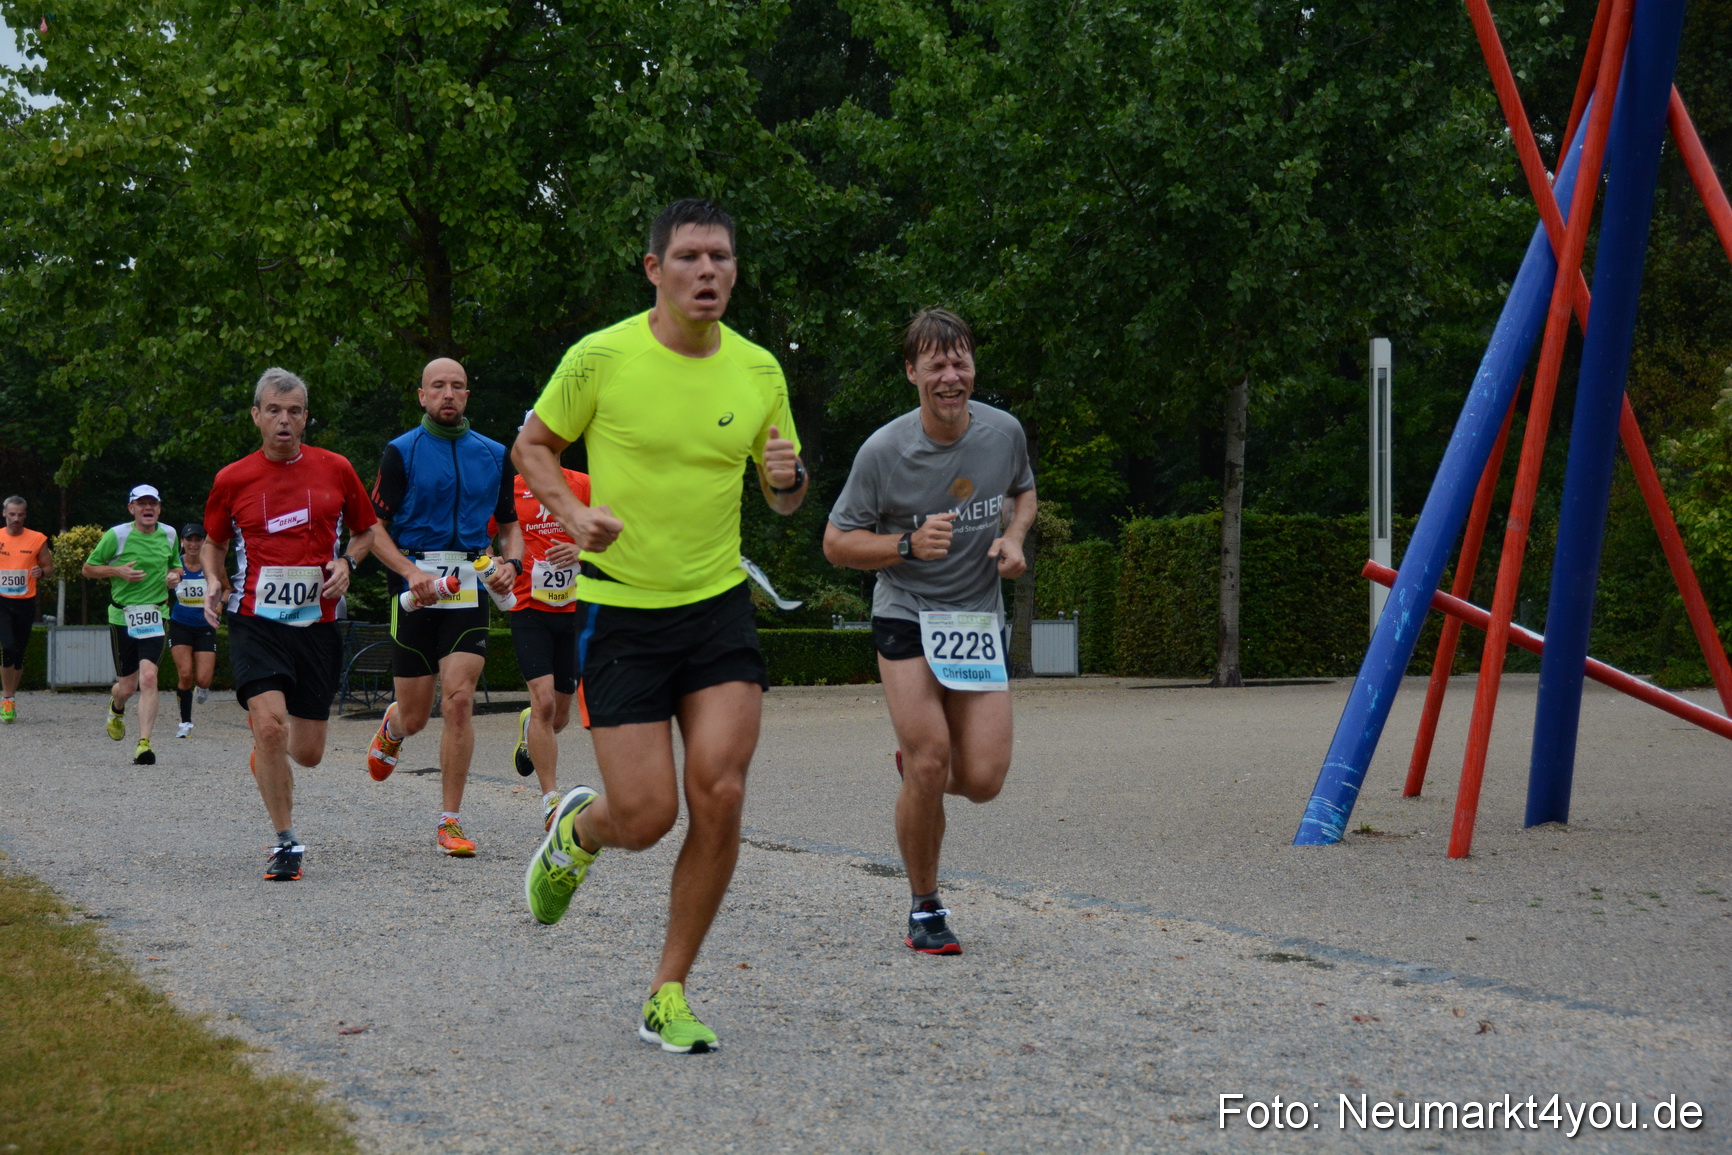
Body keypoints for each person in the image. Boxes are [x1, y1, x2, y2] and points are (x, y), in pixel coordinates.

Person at [514, 198, 807, 1054]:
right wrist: (570, 509)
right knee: (646, 815)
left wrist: (787, 481)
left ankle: (667, 991)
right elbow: (531, 445)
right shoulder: (600, 356)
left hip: (716, 608)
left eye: (720, 257)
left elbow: (780, 494)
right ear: (654, 269)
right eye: (687, 257)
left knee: (719, 788)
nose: (706, 271)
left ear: (735, 270)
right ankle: (580, 832)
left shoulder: (758, 372)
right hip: (621, 612)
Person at [823, 308, 1036, 955]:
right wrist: (907, 544)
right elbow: (837, 542)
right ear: (912, 371)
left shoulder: (1004, 433)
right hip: (908, 611)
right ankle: (925, 905)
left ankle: (919, 771)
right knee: (932, 757)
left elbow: (1024, 493)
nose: (951, 375)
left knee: (984, 779)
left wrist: (1015, 537)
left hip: (975, 618)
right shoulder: (884, 451)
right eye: (936, 363)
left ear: (973, 366)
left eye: (960, 360)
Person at [202, 367, 380, 881]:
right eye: (274, 411)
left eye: (295, 411)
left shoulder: (336, 469)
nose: (284, 420)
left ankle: (269, 755)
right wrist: (214, 580)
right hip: (255, 618)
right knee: (271, 725)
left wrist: (347, 561)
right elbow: (214, 544)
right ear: (256, 416)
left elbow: (367, 531)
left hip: (317, 624)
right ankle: (286, 842)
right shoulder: (232, 478)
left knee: (309, 752)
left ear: (305, 418)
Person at [363, 357, 520, 857]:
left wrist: (512, 561)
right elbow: (372, 529)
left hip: (469, 584)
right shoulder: (400, 453)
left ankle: (449, 820)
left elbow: (509, 523)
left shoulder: (495, 454)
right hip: (415, 586)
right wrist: (411, 573)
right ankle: (393, 727)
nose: (448, 394)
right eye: (438, 386)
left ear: (467, 396)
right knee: (416, 717)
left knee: (458, 700)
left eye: (457, 386)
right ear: (422, 395)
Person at [496, 432, 593, 829]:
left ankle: (528, 728)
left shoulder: (583, 485)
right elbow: (491, 537)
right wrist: (497, 568)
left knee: (559, 716)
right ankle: (551, 799)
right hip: (528, 608)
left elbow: (613, 537)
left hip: (572, 610)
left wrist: (581, 551)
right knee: (545, 703)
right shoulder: (511, 489)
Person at [82, 485, 180, 765]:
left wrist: (175, 577)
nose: (148, 508)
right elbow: (88, 569)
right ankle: (117, 707)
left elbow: (176, 566)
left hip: (156, 614)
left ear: (159, 508)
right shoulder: (117, 535)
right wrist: (117, 570)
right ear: (131, 508)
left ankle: (144, 744)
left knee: (149, 678)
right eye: (141, 504)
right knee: (126, 687)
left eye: (153, 503)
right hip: (122, 617)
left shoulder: (170, 534)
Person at [0, 496, 53, 722]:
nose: (16, 519)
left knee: (19, 654)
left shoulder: (37, 539)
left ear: (25, 515)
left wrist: (42, 572)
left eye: (20, 514)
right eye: (12, 514)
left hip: (25, 602)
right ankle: (7, 697)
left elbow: (49, 567)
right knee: (8, 646)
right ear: (4, 514)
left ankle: (11, 697)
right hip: (1, 601)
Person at [167, 523, 222, 738]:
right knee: (185, 673)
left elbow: (226, 588)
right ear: (182, 542)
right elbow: (161, 587)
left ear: (204, 543)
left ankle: (204, 687)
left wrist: (221, 603)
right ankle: (185, 723)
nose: (193, 544)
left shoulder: (212, 567)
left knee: (204, 679)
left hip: (205, 627)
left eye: (198, 540)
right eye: (189, 539)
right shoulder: (175, 566)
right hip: (180, 624)